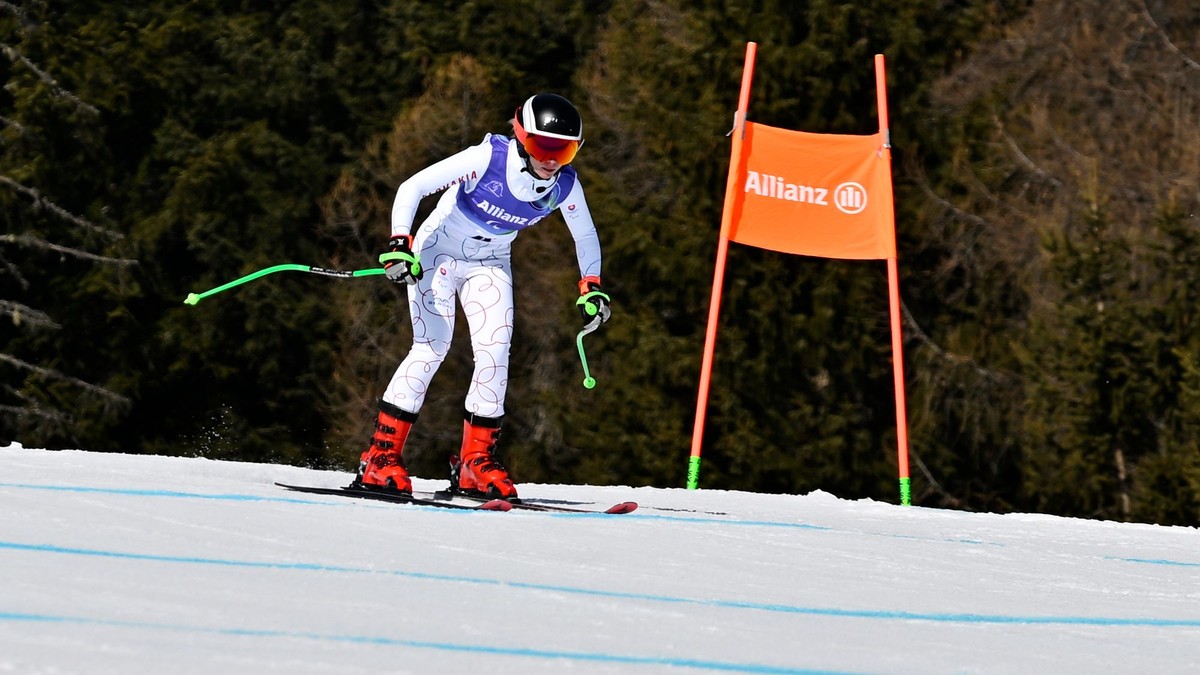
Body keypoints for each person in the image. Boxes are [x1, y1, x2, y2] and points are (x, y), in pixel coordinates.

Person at [354, 93, 611, 500]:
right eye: (544, 146)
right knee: (431, 347)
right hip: (436, 250)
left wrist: (591, 285)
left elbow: (585, 234)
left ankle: (475, 462)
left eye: (564, 149)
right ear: (523, 138)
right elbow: (413, 186)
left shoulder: (564, 184)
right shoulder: (488, 157)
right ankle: (381, 455)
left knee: (495, 353)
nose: (551, 159)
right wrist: (399, 242)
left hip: (489, 260)